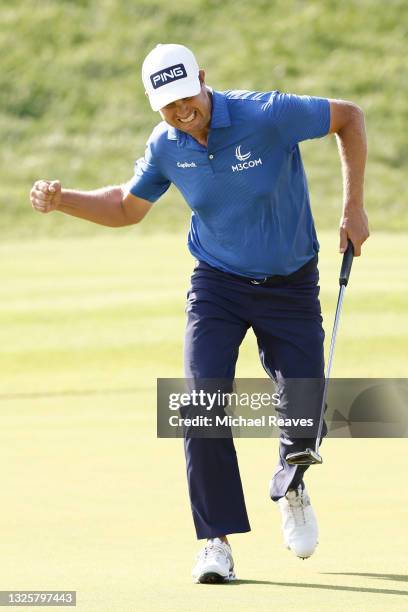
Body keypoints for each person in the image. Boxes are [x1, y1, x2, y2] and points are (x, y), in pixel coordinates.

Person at [30, 43, 369, 584]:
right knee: (201, 401)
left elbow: (348, 117)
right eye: (167, 104)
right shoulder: (166, 146)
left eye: (187, 96)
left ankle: (293, 481)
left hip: (291, 283)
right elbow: (124, 207)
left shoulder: (266, 113)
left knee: (304, 412)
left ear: (203, 80)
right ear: (154, 105)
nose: (181, 111)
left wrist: (353, 206)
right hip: (218, 285)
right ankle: (216, 543)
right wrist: (61, 199)